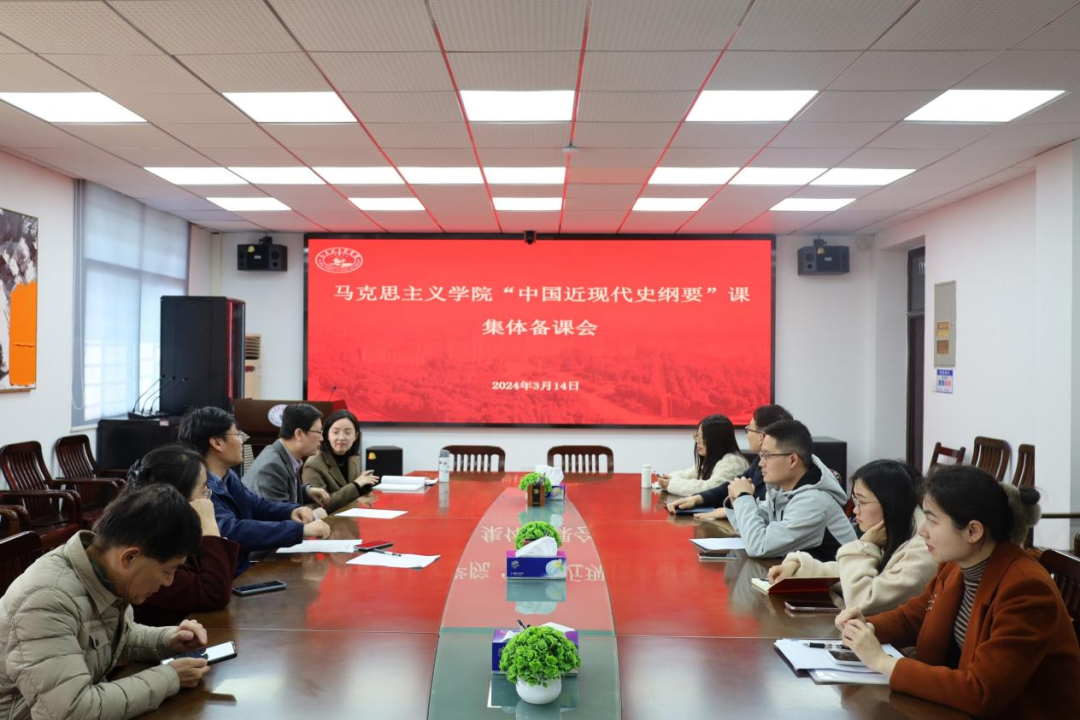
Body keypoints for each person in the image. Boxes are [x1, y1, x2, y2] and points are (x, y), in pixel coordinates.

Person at [837, 465, 1080, 717]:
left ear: (973, 531)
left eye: (932, 520)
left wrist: (882, 662)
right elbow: (913, 617)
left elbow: (981, 691)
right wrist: (864, 627)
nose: (922, 531)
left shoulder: (1026, 589)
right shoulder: (956, 566)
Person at [0, 485, 214, 718]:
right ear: (129, 557)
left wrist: (169, 639)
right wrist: (170, 678)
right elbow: (72, 711)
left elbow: (108, 638)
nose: (169, 582)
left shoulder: (102, 574)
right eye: (168, 570)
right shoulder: (46, 600)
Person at [767, 459, 936, 614]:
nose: (855, 510)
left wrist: (865, 546)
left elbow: (860, 602)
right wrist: (799, 569)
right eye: (855, 501)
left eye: (862, 502)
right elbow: (850, 575)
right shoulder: (898, 530)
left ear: (890, 503)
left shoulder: (920, 553)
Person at [178, 407, 330, 577]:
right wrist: (299, 530)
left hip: (239, 568)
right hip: (225, 576)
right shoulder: (199, 488)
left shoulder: (227, 476)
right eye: (237, 435)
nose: (242, 441)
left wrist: (290, 511)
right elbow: (233, 531)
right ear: (217, 443)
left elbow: (257, 505)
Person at [126, 444, 240, 625]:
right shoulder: (149, 545)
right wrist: (209, 526)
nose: (208, 498)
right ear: (178, 496)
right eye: (204, 490)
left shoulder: (171, 528)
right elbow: (214, 594)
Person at [726, 419, 855, 560]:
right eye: (761, 455)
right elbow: (749, 532)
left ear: (793, 460)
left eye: (767, 455)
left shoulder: (813, 502)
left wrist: (744, 496)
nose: (761, 463)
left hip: (841, 574)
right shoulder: (783, 492)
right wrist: (735, 502)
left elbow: (758, 546)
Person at [667, 404, 792, 519]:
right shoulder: (759, 461)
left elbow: (767, 510)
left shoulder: (781, 471)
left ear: (762, 436)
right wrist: (698, 498)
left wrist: (733, 510)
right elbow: (731, 485)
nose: (747, 434)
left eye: (749, 429)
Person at [243, 403, 331, 509]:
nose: (321, 438)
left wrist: (306, 491)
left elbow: (282, 490)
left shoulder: (282, 454)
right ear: (299, 434)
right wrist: (314, 515)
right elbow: (277, 515)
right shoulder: (271, 467)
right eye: (319, 432)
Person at [302, 409, 380, 514]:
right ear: (327, 435)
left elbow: (354, 495)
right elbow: (320, 505)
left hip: (350, 519)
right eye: (335, 432)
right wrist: (356, 485)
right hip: (326, 521)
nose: (341, 437)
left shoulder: (354, 459)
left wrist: (364, 489)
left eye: (347, 433)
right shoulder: (313, 464)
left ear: (355, 436)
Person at [656, 414, 749, 497]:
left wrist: (672, 484)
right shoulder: (713, 458)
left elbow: (708, 489)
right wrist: (670, 478)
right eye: (698, 436)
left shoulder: (732, 462)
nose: (697, 441)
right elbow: (689, 474)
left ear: (717, 440)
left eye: (703, 437)